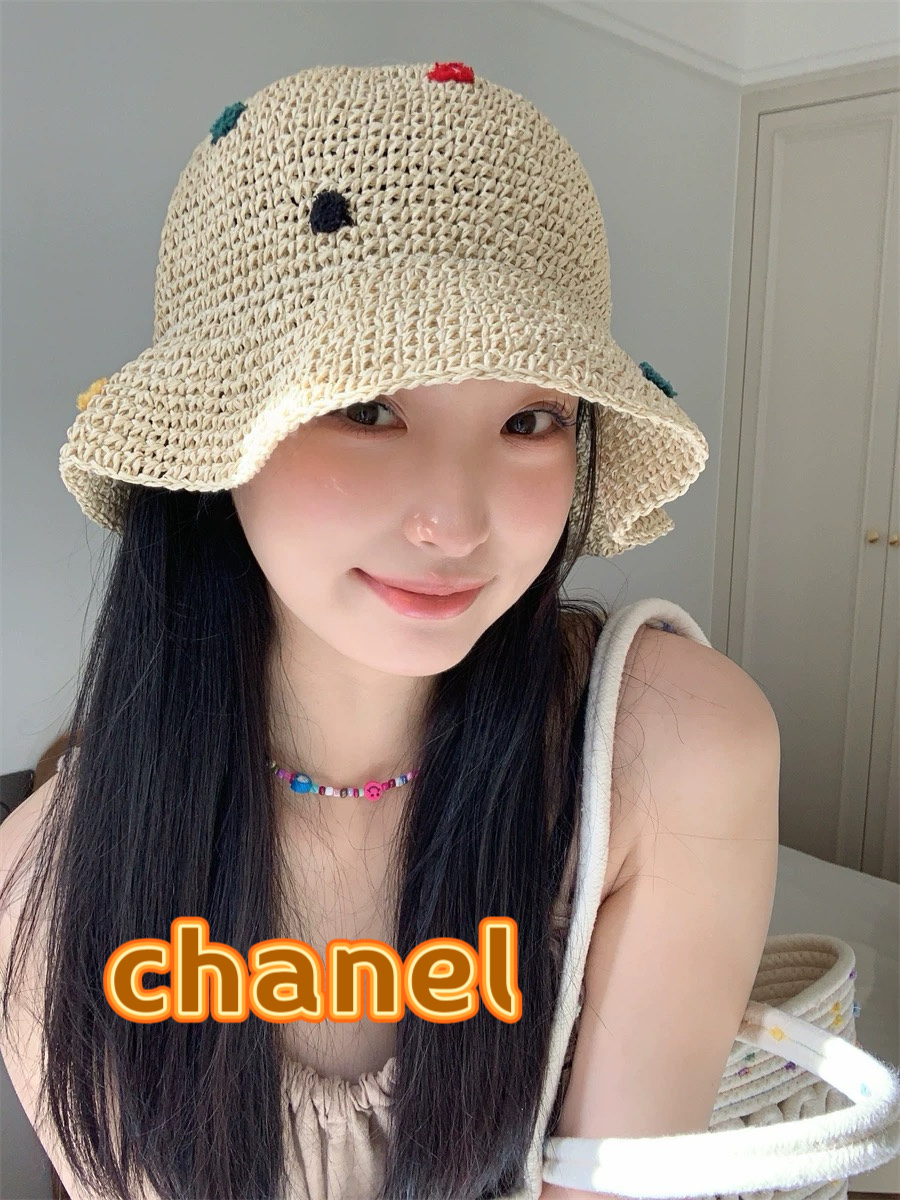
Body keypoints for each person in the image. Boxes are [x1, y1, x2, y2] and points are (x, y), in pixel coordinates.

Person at [1, 62, 779, 1200]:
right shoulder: (44, 885)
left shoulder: (674, 748)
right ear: (211, 443)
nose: (455, 523)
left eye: (530, 419)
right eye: (366, 408)